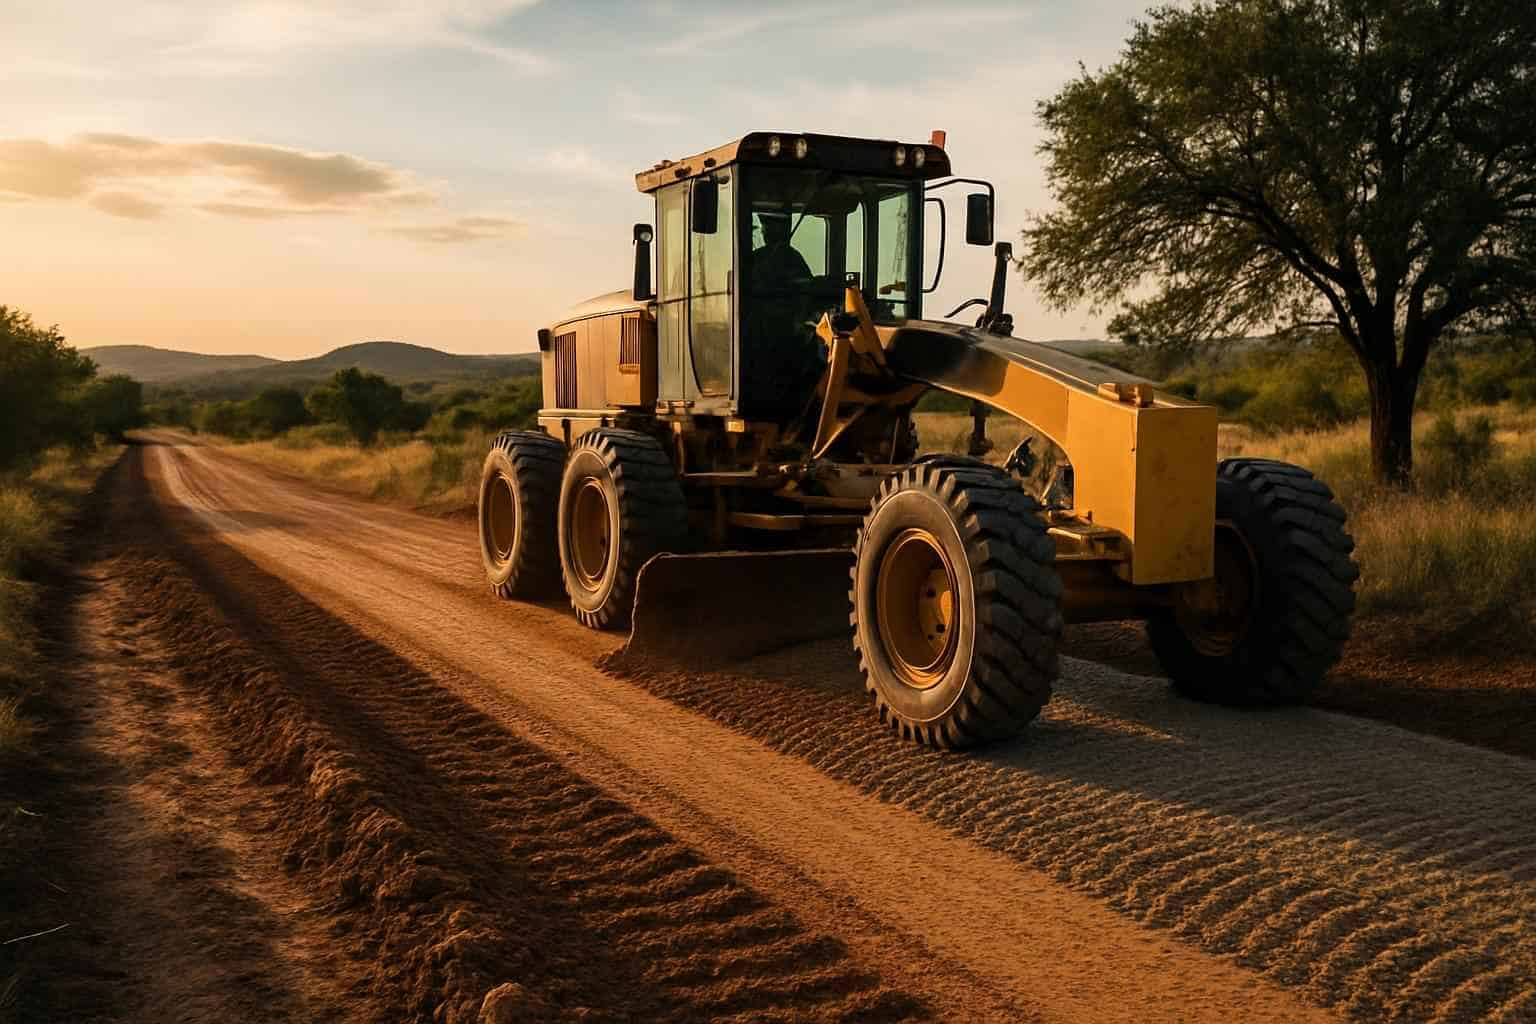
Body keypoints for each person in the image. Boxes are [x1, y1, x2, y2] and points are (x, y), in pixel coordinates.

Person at [750, 212, 812, 293]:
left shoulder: (792, 255)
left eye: (765, 228)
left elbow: (807, 284)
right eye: (764, 227)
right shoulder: (792, 254)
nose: (763, 232)